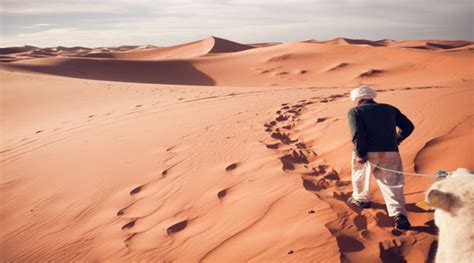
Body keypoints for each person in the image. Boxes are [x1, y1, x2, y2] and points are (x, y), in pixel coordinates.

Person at [347, 86, 414, 230]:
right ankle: (399, 215)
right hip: (390, 151)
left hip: (367, 153)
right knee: (392, 183)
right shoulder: (390, 109)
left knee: (360, 176)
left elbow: (358, 135)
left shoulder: (355, 112)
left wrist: (360, 154)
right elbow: (408, 127)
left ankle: (362, 200)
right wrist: (397, 139)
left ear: (357, 99)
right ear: (371, 97)